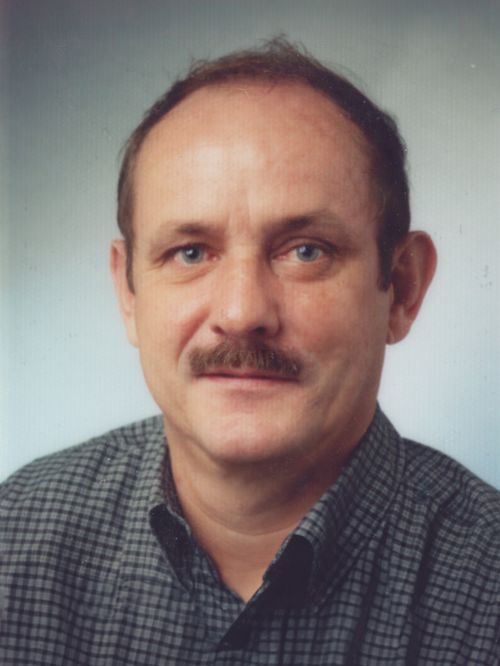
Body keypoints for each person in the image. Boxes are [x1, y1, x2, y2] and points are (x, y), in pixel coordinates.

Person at [1, 38, 498, 666]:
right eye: (190, 252)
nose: (241, 313)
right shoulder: (14, 537)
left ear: (401, 288)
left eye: (306, 251)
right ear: (128, 293)